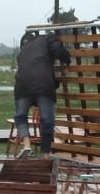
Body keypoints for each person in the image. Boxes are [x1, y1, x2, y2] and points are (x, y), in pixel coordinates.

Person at [13, 30, 71, 158]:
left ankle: (27, 145)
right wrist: (67, 60)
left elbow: (33, 69)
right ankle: (46, 154)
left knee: (20, 116)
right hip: (43, 85)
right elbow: (58, 50)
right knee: (47, 120)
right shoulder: (46, 38)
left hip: (22, 86)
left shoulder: (21, 53)